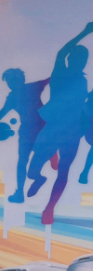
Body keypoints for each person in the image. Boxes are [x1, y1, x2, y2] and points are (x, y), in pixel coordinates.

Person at [27, 10, 93, 224]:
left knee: (64, 171)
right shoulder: (60, 72)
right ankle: (38, 178)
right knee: (32, 170)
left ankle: (49, 209)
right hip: (53, 127)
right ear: (71, 58)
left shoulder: (82, 81)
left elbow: (82, 105)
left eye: (84, 59)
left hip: (72, 130)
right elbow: (62, 51)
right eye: (78, 57)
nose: (80, 61)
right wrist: (86, 31)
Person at [0, 69, 49, 203]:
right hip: (28, 131)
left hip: (41, 130)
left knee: (31, 162)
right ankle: (20, 193)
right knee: (22, 162)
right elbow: (2, 113)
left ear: (21, 79)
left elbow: (52, 78)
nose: (11, 84)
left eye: (13, 80)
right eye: (9, 81)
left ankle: (36, 178)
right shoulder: (12, 97)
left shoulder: (32, 87)